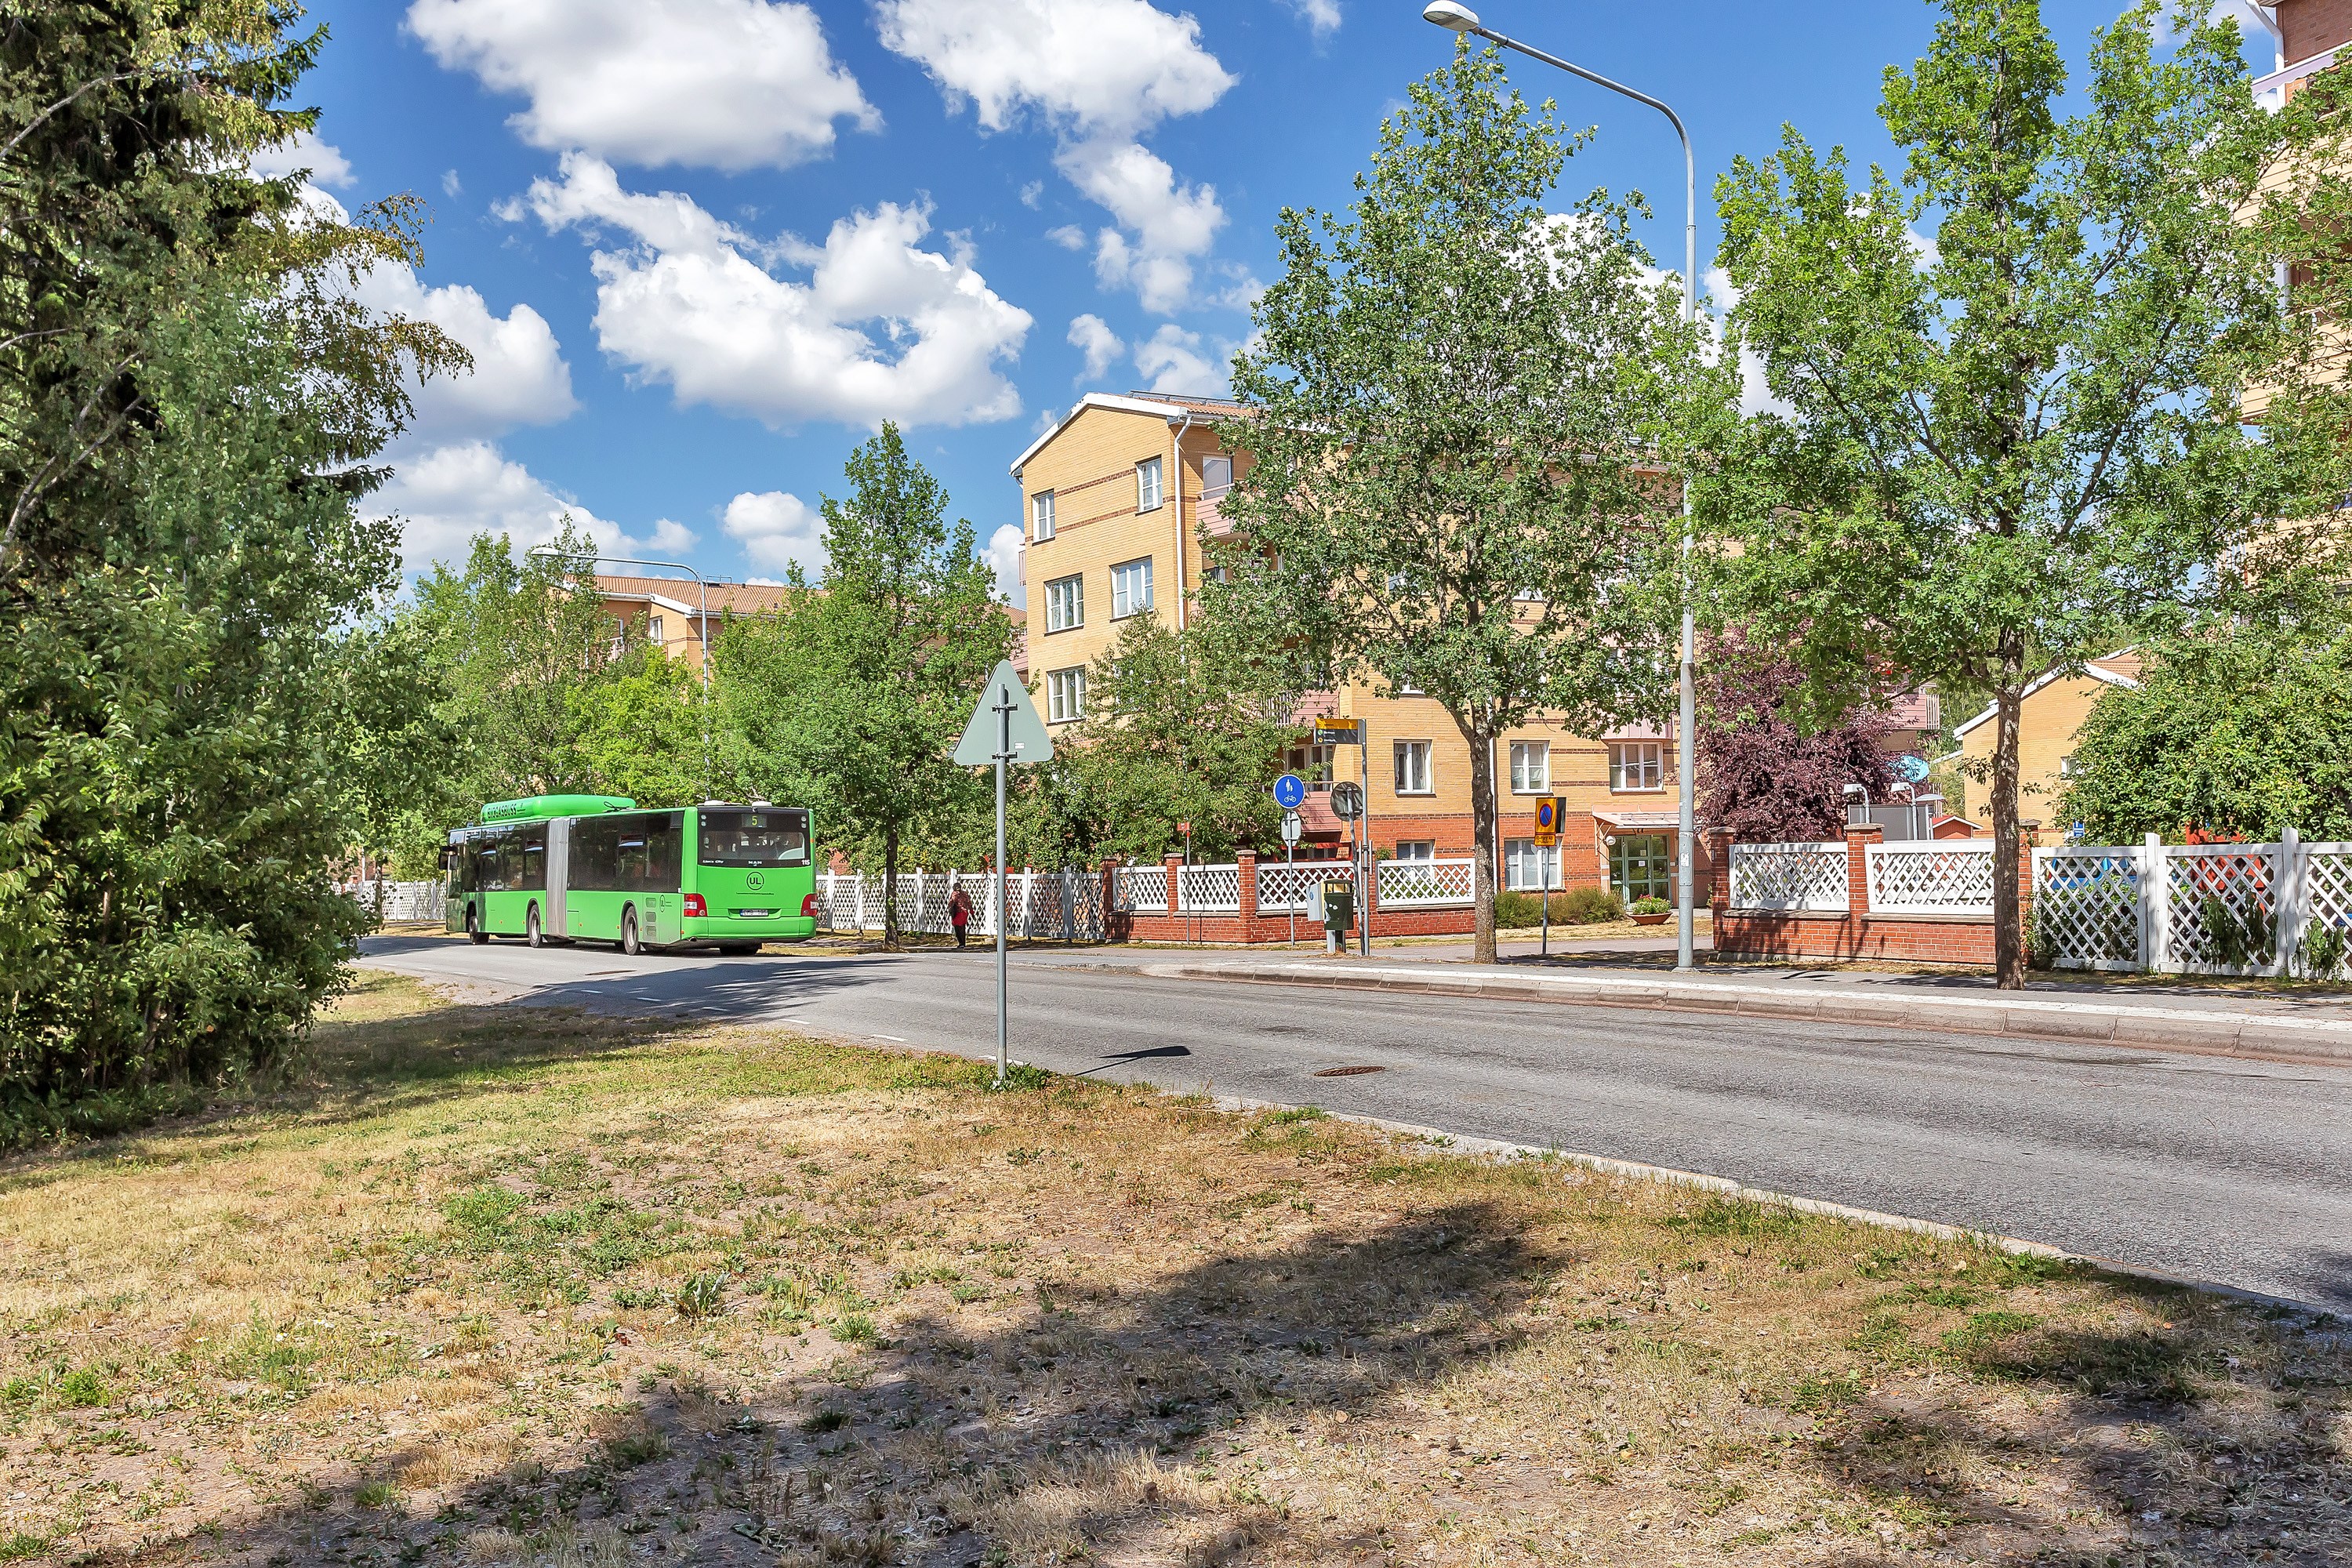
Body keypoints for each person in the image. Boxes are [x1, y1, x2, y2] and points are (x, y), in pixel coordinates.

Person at [948, 884, 973, 948]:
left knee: (957, 928)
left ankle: (961, 943)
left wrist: (950, 909)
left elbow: (951, 902)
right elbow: (969, 902)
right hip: (964, 912)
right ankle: (963, 943)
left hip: (958, 912)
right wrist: (971, 911)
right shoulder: (965, 893)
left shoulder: (955, 894)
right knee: (962, 927)